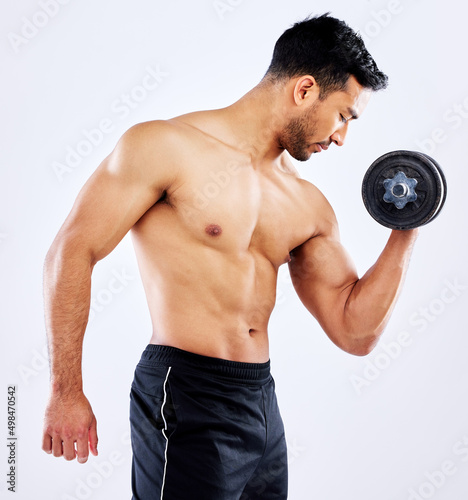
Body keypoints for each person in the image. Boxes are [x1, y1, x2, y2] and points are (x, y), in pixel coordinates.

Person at [42, 13, 418, 500]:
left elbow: (354, 330)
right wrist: (65, 389)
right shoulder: (164, 147)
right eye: (344, 115)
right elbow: (70, 252)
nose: (342, 137)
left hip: (260, 400)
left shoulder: (307, 205)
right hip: (186, 390)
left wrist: (406, 225)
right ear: (305, 90)